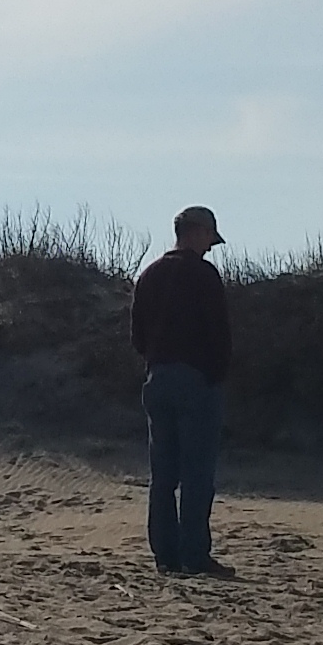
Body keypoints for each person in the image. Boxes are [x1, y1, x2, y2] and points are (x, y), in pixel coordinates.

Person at [131, 206, 232, 577]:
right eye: (208, 238)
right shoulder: (203, 275)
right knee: (197, 473)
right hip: (196, 380)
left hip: (158, 377)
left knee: (163, 474)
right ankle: (194, 554)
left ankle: (166, 554)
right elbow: (219, 332)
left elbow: (137, 335)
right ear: (198, 232)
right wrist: (216, 373)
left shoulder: (150, 275)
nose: (209, 246)